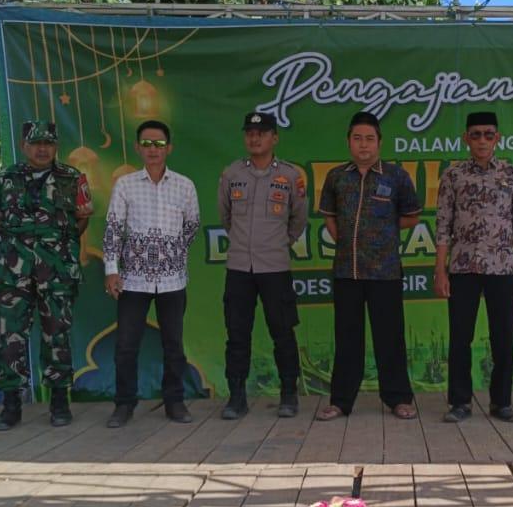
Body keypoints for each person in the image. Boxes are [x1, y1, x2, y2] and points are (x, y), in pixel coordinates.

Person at [317, 111, 421, 420]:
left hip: (385, 271)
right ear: (349, 141)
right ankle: (341, 401)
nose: (364, 145)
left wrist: (382, 232)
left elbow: (411, 216)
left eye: (370, 139)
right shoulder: (336, 176)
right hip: (346, 270)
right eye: (358, 138)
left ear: (379, 143)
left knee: (390, 337)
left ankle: (399, 399)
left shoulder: (396, 176)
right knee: (347, 338)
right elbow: (330, 217)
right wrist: (347, 240)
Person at [0, 121, 92, 431]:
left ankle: (59, 402)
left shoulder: (72, 178)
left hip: (56, 270)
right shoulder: (5, 178)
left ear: (56, 146)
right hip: (13, 271)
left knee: (57, 334)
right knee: (9, 335)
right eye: (36, 144)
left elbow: (82, 218)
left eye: (48, 143)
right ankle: (11, 405)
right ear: (24, 146)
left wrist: (57, 244)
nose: (42, 149)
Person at [102, 120, 201, 428]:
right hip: (133, 279)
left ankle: (175, 402)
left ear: (169, 148)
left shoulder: (184, 185)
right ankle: (124, 404)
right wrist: (111, 270)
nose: (153, 149)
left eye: (159, 144)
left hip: (172, 280)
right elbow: (114, 229)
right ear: (137, 148)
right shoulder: (125, 184)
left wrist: (172, 253)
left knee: (173, 344)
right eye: (147, 144)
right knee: (126, 345)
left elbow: (192, 226)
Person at [434, 111, 513, 423]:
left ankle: (501, 403)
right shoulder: (453, 175)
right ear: (466, 138)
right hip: (463, 268)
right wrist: (440, 270)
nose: (482, 141)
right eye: (475, 135)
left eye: (489, 134)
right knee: (460, 338)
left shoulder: (512, 174)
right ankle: (460, 402)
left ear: (497, 138)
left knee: (503, 337)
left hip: (503, 268)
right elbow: (443, 225)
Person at [218, 111, 308, 419]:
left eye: (262, 133)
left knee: (283, 332)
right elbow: (226, 217)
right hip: (239, 268)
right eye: (250, 133)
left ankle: (289, 394)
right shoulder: (231, 174)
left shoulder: (291, 176)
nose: (255, 138)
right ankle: (236, 397)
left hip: (275, 268)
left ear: (275, 138)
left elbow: (298, 219)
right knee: (237, 334)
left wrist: (278, 243)